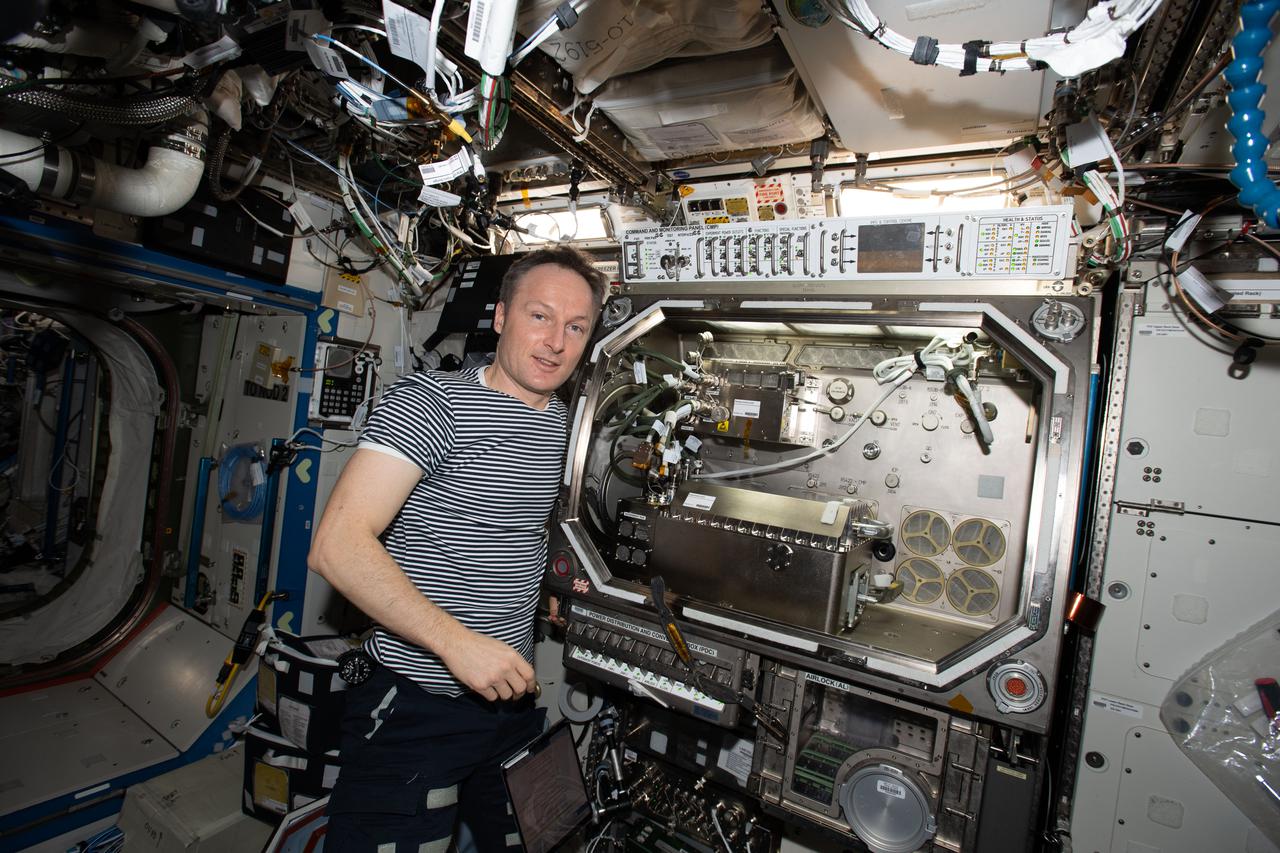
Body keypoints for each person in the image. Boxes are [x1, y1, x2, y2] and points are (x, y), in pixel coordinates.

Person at [308, 246, 606, 853]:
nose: (555, 342)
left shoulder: (572, 427)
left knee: (556, 838)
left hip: (511, 702)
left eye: (576, 327)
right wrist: (457, 645)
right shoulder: (430, 404)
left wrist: (551, 591)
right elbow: (338, 547)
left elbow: (517, 527)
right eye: (539, 316)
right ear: (500, 317)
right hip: (417, 704)